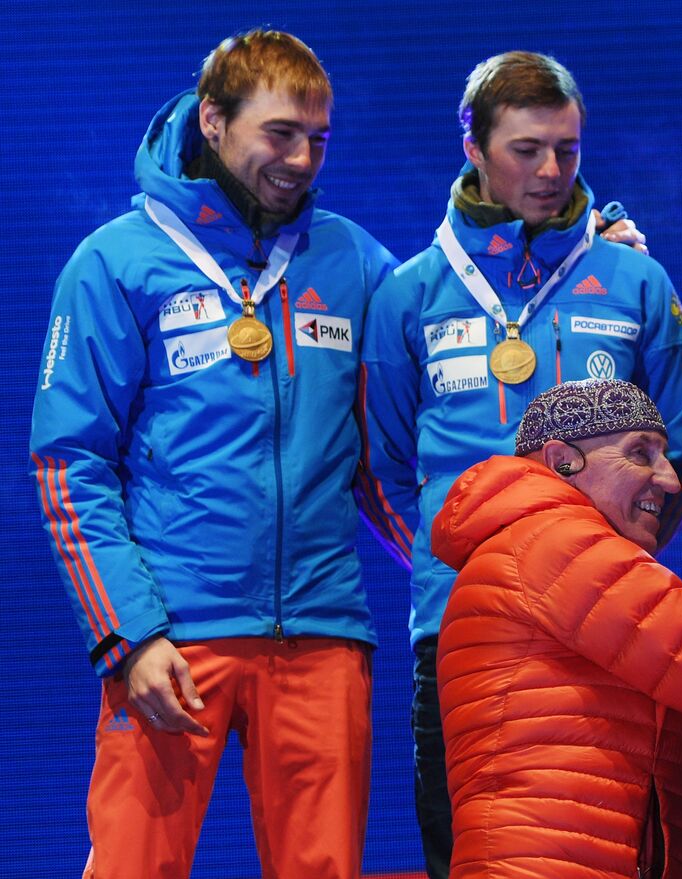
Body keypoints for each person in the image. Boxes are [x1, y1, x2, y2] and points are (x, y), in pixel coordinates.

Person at [29, 29, 396, 878]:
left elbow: (420, 427)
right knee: (132, 867)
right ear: (214, 119)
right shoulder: (115, 262)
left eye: (320, 140)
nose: (302, 159)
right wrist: (129, 636)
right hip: (172, 635)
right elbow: (68, 462)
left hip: (322, 630)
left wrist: (597, 247)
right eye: (279, 134)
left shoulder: (356, 261)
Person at [358, 51, 682, 879]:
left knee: (617, 846)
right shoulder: (408, 295)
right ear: (472, 146)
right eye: (526, 149)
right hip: (461, 628)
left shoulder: (638, 280)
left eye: (569, 150)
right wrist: (480, 573)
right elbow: (382, 471)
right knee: (474, 853)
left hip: (614, 621)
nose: (551, 171)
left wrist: (609, 566)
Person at [430, 379, 682, 879]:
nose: (668, 479)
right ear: (562, 461)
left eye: (664, 456)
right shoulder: (552, 540)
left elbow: (678, 787)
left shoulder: (543, 549)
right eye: (640, 454)